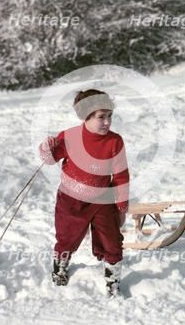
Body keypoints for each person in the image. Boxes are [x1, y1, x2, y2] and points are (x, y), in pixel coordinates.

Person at [39, 89, 130, 296]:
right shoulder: (70, 137)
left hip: (102, 198)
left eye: (109, 116)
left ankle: (112, 279)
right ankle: (60, 265)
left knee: (112, 240)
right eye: (101, 117)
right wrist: (47, 147)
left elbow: (121, 176)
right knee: (67, 237)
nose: (107, 122)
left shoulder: (115, 141)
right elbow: (50, 160)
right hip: (71, 199)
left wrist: (122, 206)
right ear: (85, 116)